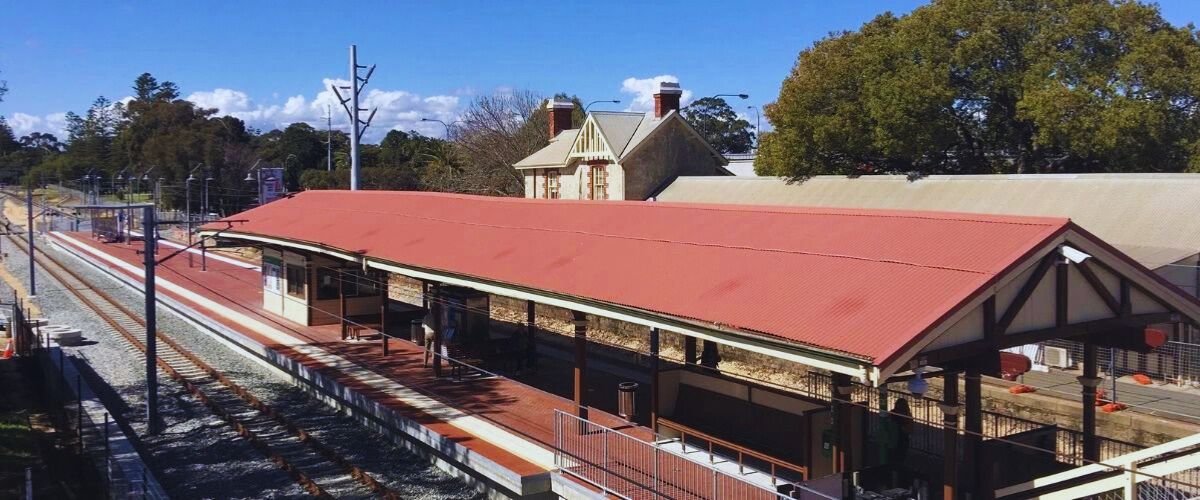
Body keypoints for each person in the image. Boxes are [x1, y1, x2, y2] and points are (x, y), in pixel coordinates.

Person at [877, 398, 912, 467]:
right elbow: (910, 430)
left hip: (894, 438)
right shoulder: (907, 415)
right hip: (901, 439)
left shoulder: (893, 413)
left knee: (891, 456)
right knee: (899, 458)